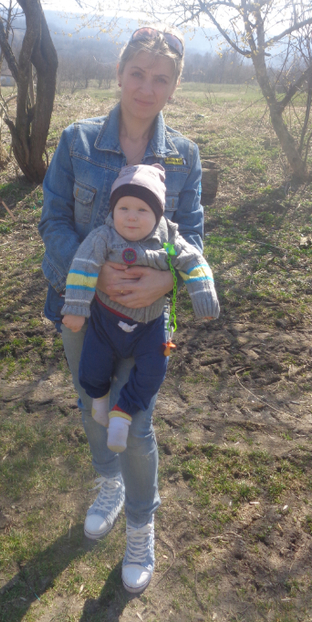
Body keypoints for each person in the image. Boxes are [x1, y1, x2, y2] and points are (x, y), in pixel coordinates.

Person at [38, 26, 204, 594]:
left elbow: (193, 236)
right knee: (94, 405)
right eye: (137, 73)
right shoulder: (77, 142)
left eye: (161, 78)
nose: (146, 87)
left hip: (146, 317)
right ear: (119, 73)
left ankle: (139, 522)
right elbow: (53, 222)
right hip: (82, 309)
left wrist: (167, 279)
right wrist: (92, 273)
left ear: (174, 86)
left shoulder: (183, 156)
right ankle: (107, 482)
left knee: (134, 423)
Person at [61, 163, 219, 454]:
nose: (131, 217)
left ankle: (123, 412)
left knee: (154, 370)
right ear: (113, 210)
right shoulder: (104, 238)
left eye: (142, 210)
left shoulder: (166, 242)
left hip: (150, 326)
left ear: (157, 214)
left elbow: (192, 261)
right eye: (123, 208)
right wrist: (75, 308)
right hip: (106, 324)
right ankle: (100, 399)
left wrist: (204, 298)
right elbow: (83, 267)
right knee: (92, 367)